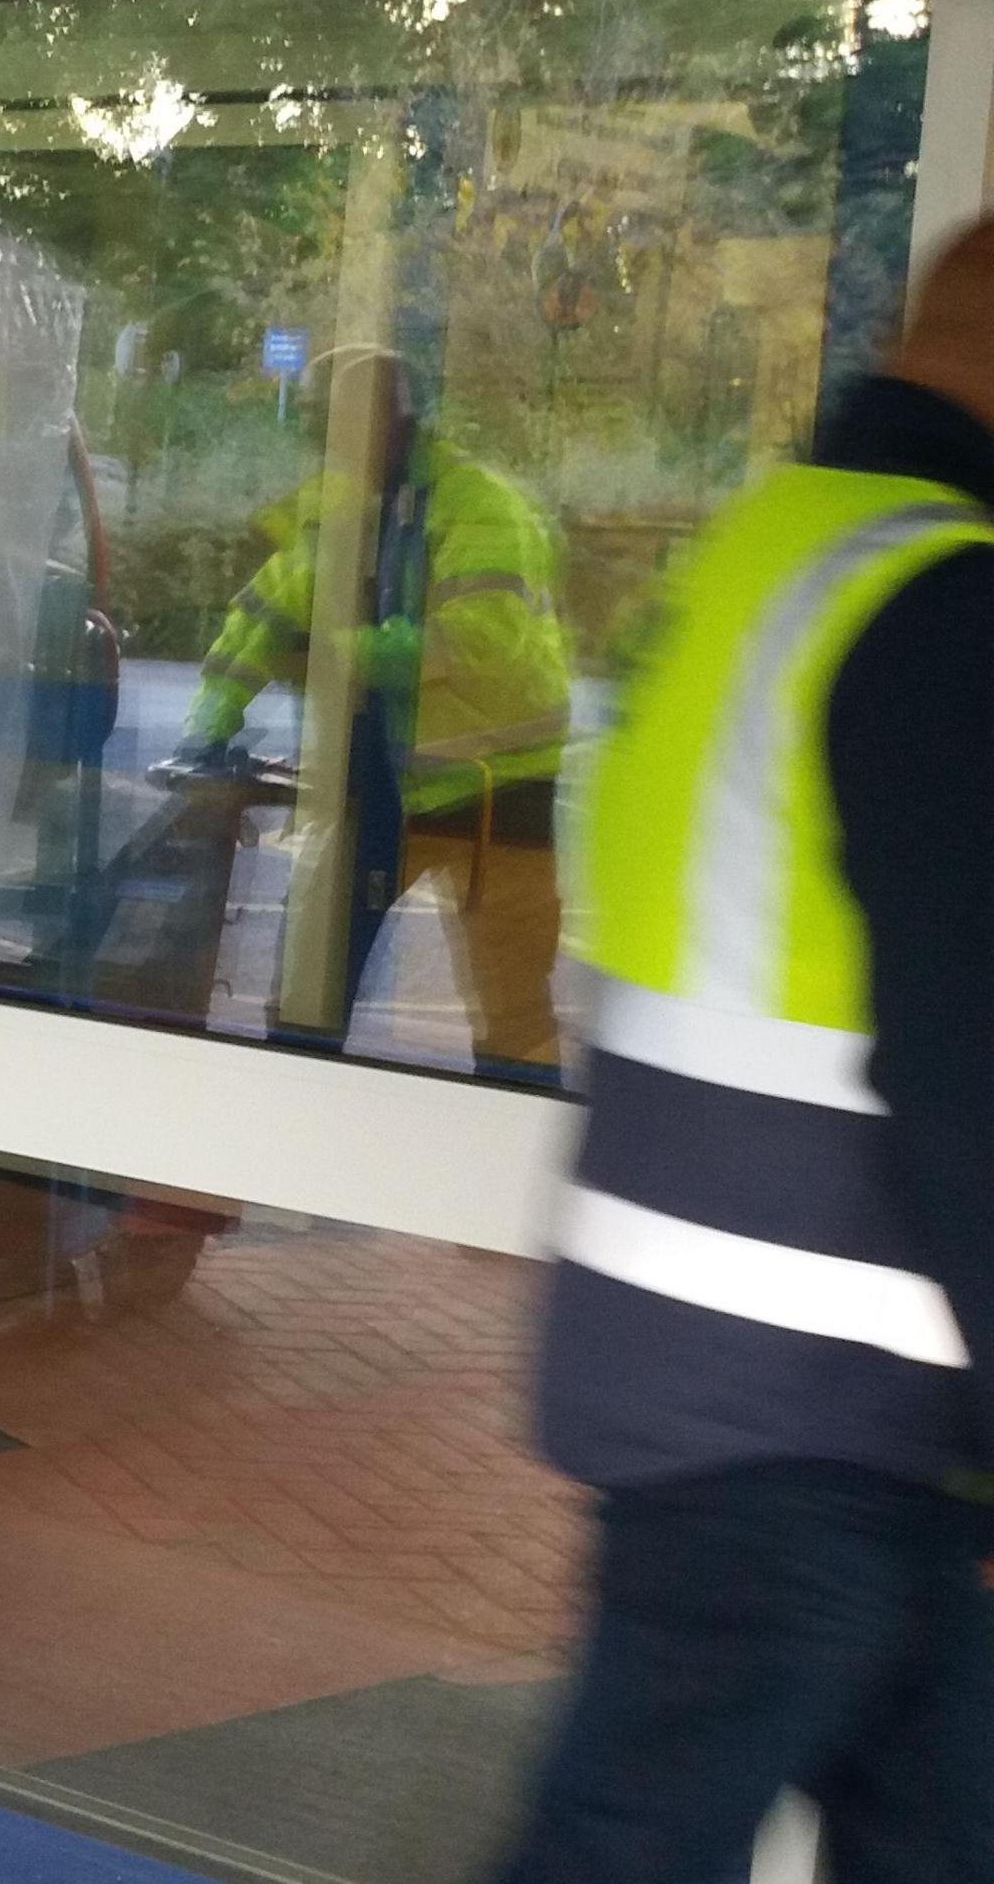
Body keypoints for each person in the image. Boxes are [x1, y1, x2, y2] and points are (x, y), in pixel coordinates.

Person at [495, 223, 994, 1880]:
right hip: (805, 1409)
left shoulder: (764, 550)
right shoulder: (939, 594)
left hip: (750, 1381)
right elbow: (973, 1058)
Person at [171, 367, 574, 1078]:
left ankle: (509, 1131)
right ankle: (293, 1109)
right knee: (312, 984)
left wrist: (339, 656)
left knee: (510, 1004)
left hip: (490, 789)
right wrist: (205, 727)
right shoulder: (341, 508)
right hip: (377, 785)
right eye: (325, 433)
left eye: (349, 428)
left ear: (401, 420)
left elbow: (480, 639)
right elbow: (262, 618)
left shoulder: (480, 506)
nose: (335, 448)